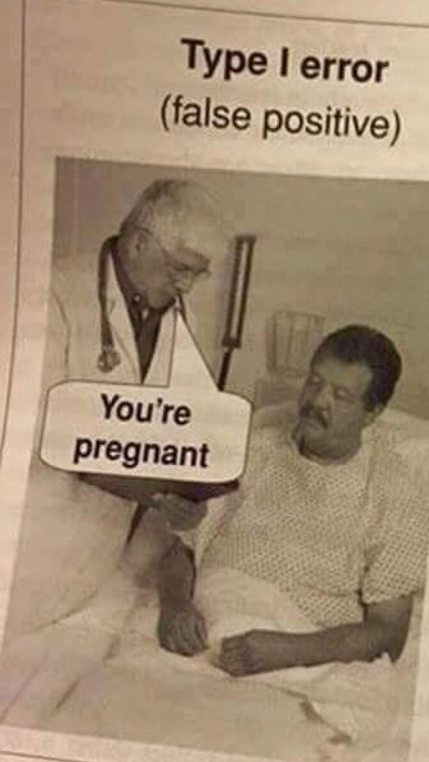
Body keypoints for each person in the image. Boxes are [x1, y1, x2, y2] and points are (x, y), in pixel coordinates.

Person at [5, 179, 230, 641]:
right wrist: (153, 489)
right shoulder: (49, 294)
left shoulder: (182, 318)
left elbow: (179, 427)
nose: (186, 285)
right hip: (27, 536)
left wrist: (187, 497)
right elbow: (42, 428)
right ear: (138, 242)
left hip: (96, 557)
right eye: (180, 268)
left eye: (197, 273)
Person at [156, 324, 429, 677]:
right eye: (314, 382)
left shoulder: (394, 495)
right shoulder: (255, 449)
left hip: (301, 658)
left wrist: (289, 651)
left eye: (341, 396)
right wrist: (175, 606)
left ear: (373, 413)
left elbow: (388, 634)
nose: (318, 401)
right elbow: (181, 550)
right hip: (196, 637)